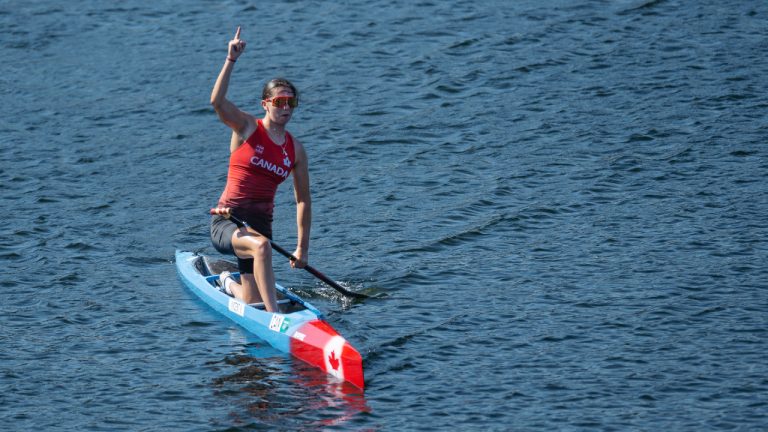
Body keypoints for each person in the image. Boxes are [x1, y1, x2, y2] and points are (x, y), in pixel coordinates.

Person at [209, 26, 311, 312]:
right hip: (228, 222)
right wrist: (231, 60)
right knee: (262, 247)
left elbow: (302, 200)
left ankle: (228, 282)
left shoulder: (296, 149)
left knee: (251, 299)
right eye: (280, 102)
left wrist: (302, 248)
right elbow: (217, 102)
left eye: (291, 102)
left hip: (260, 227)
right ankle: (275, 317)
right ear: (266, 104)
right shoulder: (246, 128)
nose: (286, 107)